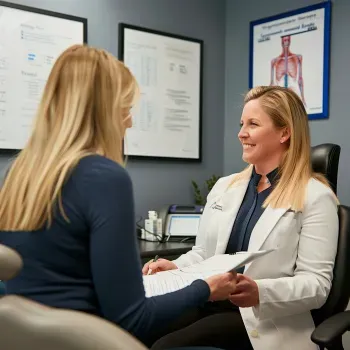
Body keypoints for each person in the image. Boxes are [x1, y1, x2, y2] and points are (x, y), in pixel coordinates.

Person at [0, 44, 237, 348]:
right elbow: (131, 320)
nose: (130, 122)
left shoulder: (18, 175)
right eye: (126, 108)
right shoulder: (104, 178)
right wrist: (204, 288)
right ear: (103, 111)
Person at [143, 86, 339, 350]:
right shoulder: (226, 187)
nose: (241, 133)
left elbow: (316, 285)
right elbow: (203, 254)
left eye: (253, 124)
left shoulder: (316, 196)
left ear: (285, 132)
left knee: (166, 346)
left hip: (262, 319)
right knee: (140, 327)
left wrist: (259, 291)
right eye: (242, 124)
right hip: (208, 299)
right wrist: (176, 267)